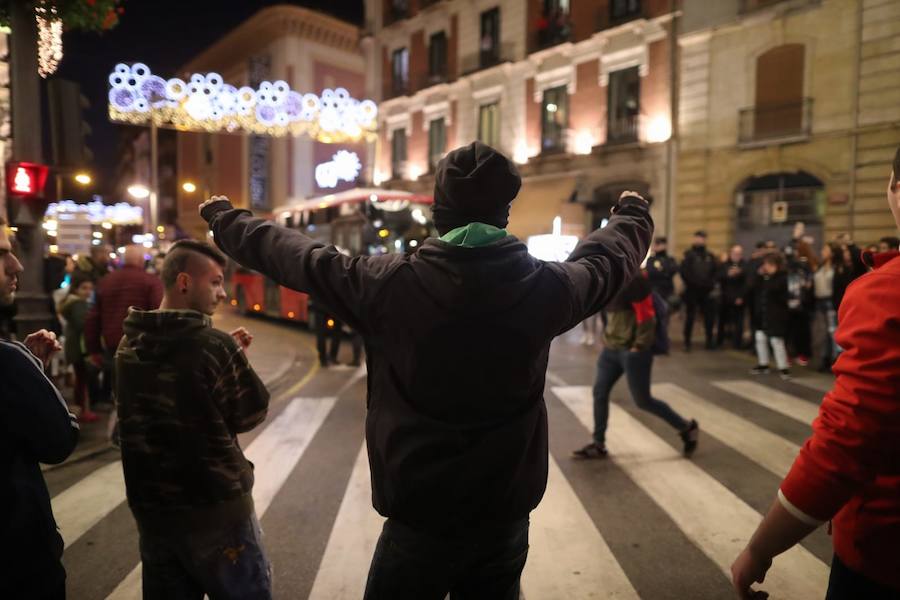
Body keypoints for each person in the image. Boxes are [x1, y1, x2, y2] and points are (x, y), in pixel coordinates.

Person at [199, 141, 653, 600]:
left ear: (439, 210)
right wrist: (632, 213)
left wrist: (226, 219)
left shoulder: (386, 284)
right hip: (504, 508)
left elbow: (300, 258)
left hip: (420, 512)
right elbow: (607, 261)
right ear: (505, 211)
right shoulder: (548, 288)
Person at [732, 171, 900, 600]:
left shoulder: (886, 292)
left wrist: (761, 547)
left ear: (895, 188)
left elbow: (844, 447)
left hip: (885, 549)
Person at [116, 240, 271, 599]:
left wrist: (222, 359)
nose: (222, 292)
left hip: (154, 517)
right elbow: (252, 412)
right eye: (215, 282)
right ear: (184, 282)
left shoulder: (128, 346)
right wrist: (232, 359)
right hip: (217, 515)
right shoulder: (215, 347)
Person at [1, 215, 80, 599]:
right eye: (1, 254)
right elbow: (59, 439)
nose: (16, 265)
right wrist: (30, 372)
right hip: (18, 566)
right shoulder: (8, 362)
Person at [572, 272, 699, 460]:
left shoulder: (634, 280)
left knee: (643, 400)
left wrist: (639, 346)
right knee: (600, 392)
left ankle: (686, 428)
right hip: (611, 349)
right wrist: (606, 339)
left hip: (632, 352)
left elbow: (646, 316)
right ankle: (598, 444)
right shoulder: (608, 280)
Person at [84, 245, 163, 406]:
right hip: (143, 346)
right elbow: (158, 315)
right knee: (139, 395)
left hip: (113, 344)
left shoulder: (106, 281)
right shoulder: (151, 282)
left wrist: (93, 350)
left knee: (118, 390)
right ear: (142, 260)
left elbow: (93, 317)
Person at [58, 273, 98, 422]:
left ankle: (82, 409)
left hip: (73, 345)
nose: (88, 292)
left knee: (80, 379)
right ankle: (83, 410)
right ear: (76, 289)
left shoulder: (70, 302)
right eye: (84, 288)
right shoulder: (78, 303)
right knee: (82, 380)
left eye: (90, 288)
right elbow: (83, 325)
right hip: (80, 347)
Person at [750, 253, 791, 380]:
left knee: (776, 341)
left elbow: (777, 290)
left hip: (777, 315)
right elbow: (752, 287)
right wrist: (759, 275)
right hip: (763, 314)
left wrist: (769, 276)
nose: (764, 267)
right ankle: (763, 364)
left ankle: (783, 367)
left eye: (767, 264)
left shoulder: (782, 277)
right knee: (760, 338)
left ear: (774, 265)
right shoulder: (764, 277)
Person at [680, 230, 718, 351]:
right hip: (692, 291)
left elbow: (715, 272)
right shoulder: (688, 255)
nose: (700, 240)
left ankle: (709, 341)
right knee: (690, 317)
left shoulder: (710, 256)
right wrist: (696, 284)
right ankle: (687, 342)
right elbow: (685, 273)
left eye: (702, 238)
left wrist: (709, 284)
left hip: (706, 291)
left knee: (709, 318)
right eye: (698, 238)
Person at [813, 243, 840, 372]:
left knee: (832, 332)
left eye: (825, 249)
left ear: (832, 253)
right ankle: (824, 358)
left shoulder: (837, 267)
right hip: (819, 301)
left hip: (830, 301)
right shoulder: (820, 266)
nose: (822, 251)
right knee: (822, 332)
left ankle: (835, 360)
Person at [716, 244, 748, 349]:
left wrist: (741, 297)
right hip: (725, 297)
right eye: (735, 253)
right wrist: (727, 274)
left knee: (738, 322)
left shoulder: (744, 265)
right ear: (731, 253)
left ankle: (737, 343)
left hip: (738, 298)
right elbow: (718, 277)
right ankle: (719, 341)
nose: (737, 255)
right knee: (722, 321)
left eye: (739, 254)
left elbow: (746, 283)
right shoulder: (724, 264)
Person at [646, 236, 679, 308]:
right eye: (656, 244)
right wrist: (664, 272)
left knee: (667, 310)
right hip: (655, 289)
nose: (656, 246)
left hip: (668, 290)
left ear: (665, 245)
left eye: (659, 244)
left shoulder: (670, 259)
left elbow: (673, 270)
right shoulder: (651, 259)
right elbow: (652, 272)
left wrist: (662, 271)